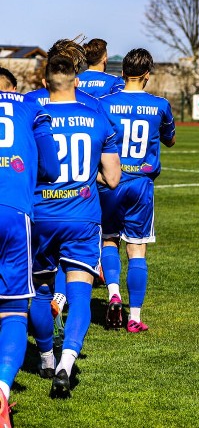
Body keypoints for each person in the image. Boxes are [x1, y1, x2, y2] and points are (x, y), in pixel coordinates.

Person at [28, 56, 121, 398]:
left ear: (45, 81)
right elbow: (112, 178)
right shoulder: (97, 116)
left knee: (40, 289)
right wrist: (86, 176)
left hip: (40, 215)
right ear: (76, 82)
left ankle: (46, 357)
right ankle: (67, 365)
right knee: (79, 290)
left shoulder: (32, 113)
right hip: (82, 216)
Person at [99, 48, 176, 332]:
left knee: (109, 239)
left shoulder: (104, 104)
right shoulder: (160, 105)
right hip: (142, 183)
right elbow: (170, 139)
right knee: (138, 248)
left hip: (111, 181)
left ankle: (113, 293)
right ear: (147, 74)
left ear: (122, 73)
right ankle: (135, 317)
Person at [0, 67, 59, 423]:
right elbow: (51, 168)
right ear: (14, 87)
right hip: (12, 211)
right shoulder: (29, 107)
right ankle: (3, 389)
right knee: (12, 309)